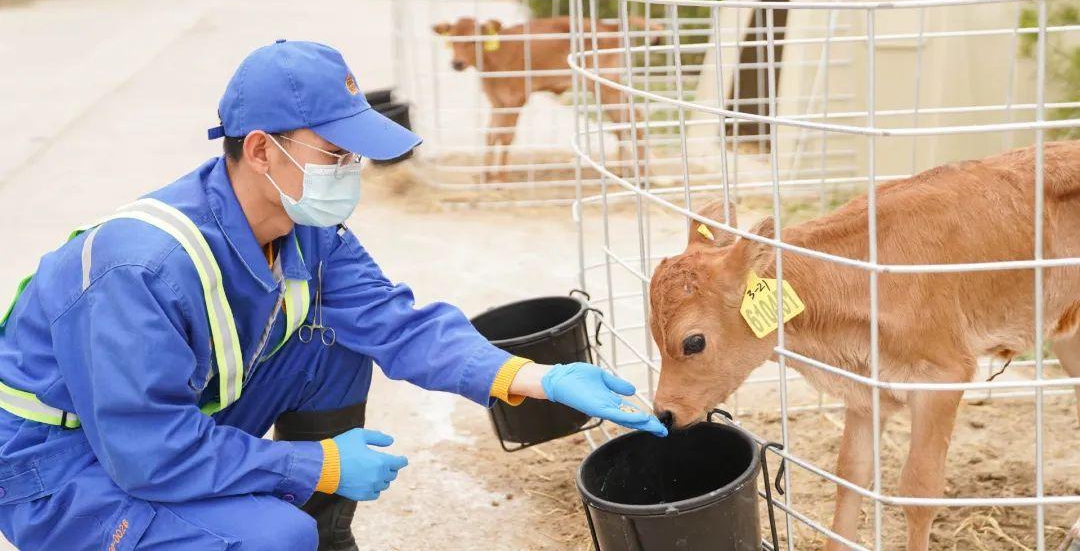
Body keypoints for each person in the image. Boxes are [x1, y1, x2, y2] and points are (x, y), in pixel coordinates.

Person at [0, 40, 666, 551]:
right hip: (60, 469)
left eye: (356, 155)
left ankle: (321, 537)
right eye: (337, 154)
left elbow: (396, 326)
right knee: (272, 538)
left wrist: (542, 379)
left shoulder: (304, 229)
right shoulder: (142, 268)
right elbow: (146, 453)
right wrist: (314, 463)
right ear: (261, 150)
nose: (353, 172)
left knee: (329, 347)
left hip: (143, 434)